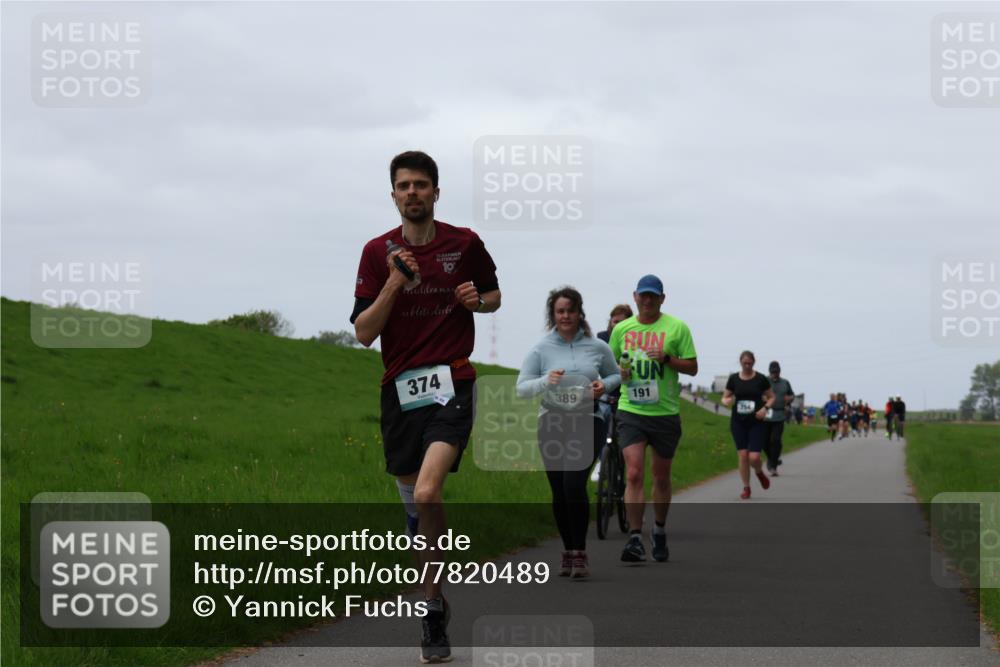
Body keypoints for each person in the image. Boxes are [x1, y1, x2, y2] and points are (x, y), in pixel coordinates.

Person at [351, 150, 501, 663]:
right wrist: (395, 283)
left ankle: (431, 610)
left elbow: (494, 295)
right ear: (393, 195)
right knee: (415, 512)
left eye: (420, 184)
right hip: (399, 391)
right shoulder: (376, 253)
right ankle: (434, 600)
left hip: (451, 383)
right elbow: (364, 333)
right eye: (403, 185)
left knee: (429, 491)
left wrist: (477, 302)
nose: (412, 192)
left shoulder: (464, 243)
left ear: (436, 192)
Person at [517, 287, 620, 579]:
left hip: (588, 419)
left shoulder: (597, 346)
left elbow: (614, 375)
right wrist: (545, 381)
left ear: (579, 313)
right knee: (559, 489)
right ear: (553, 315)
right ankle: (568, 551)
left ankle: (580, 552)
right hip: (552, 421)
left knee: (574, 483)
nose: (565, 316)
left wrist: (604, 386)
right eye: (560, 311)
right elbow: (522, 388)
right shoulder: (541, 349)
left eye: (570, 311)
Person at [608, 275, 698, 563]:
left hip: (664, 413)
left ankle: (658, 529)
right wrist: (619, 373)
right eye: (643, 295)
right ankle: (635, 538)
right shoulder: (621, 329)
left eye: (653, 296)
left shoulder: (677, 328)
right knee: (634, 473)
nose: (647, 300)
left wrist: (668, 359)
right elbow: (609, 364)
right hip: (631, 410)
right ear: (635, 297)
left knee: (661, 477)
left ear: (662, 299)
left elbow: (693, 367)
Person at [721, 351, 776, 499]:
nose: (747, 365)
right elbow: (725, 397)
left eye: (749, 363)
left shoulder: (761, 379)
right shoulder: (733, 379)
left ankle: (759, 472)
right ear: (740, 362)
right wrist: (726, 401)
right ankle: (746, 487)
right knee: (743, 455)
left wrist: (765, 409)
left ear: (753, 362)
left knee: (754, 457)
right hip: (738, 422)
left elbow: (772, 397)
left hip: (756, 422)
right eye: (744, 363)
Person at [591, 304, 634, 482]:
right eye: (615, 321)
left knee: (623, 433)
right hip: (606, 389)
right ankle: (601, 460)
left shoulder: (633, 341)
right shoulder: (602, 338)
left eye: (622, 322)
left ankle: (619, 467)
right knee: (600, 422)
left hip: (626, 391)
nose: (617, 325)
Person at [763, 361, 794, 476]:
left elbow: (792, 395)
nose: (774, 374)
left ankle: (773, 466)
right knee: (764, 441)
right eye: (772, 372)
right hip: (766, 414)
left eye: (776, 372)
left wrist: (789, 399)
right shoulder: (764, 381)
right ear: (769, 372)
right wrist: (762, 397)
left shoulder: (785, 382)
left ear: (779, 372)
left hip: (779, 414)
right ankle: (772, 458)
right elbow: (756, 393)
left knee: (775, 440)